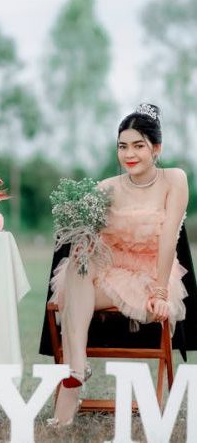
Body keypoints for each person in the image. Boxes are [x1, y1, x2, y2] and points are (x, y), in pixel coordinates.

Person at [45, 103, 190, 426]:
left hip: (151, 273)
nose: (130, 154)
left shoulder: (173, 180)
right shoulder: (105, 188)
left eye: (139, 145)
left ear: (156, 148)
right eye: (123, 146)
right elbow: (90, 243)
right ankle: (77, 370)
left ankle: (72, 378)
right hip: (106, 270)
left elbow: (169, 239)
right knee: (80, 257)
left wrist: (160, 292)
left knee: (73, 299)